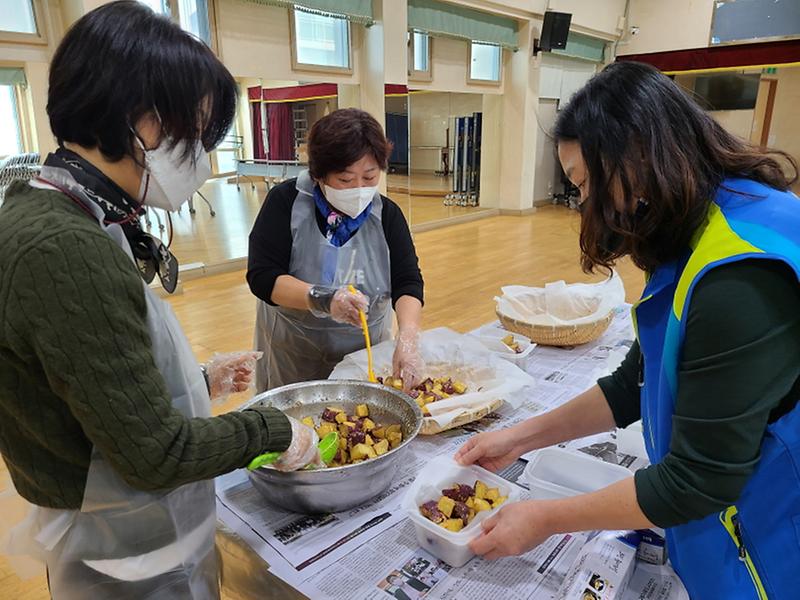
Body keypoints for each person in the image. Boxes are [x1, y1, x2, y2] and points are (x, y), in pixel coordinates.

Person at [0, 3, 319, 598]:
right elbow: (156, 455)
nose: (199, 154)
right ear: (139, 120)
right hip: (123, 548)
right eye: (193, 131)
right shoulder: (63, 248)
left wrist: (196, 382)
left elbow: (86, 379)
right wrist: (273, 430)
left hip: (127, 526)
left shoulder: (67, 211)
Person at [455, 61, 800, 598]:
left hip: (764, 538)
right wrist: (516, 437)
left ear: (635, 155)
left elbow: (697, 481)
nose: (584, 205)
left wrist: (544, 518)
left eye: (584, 183)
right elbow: (635, 383)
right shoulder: (702, 218)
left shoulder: (737, 279)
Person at [248, 108, 425, 392]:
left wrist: (408, 338)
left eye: (369, 177)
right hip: (295, 353)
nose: (359, 188)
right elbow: (263, 277)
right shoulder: (285, 202)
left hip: (362, 355)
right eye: (345, 179)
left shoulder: (387, 215)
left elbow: (408, 282)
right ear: (319, 174)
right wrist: (324, 299)